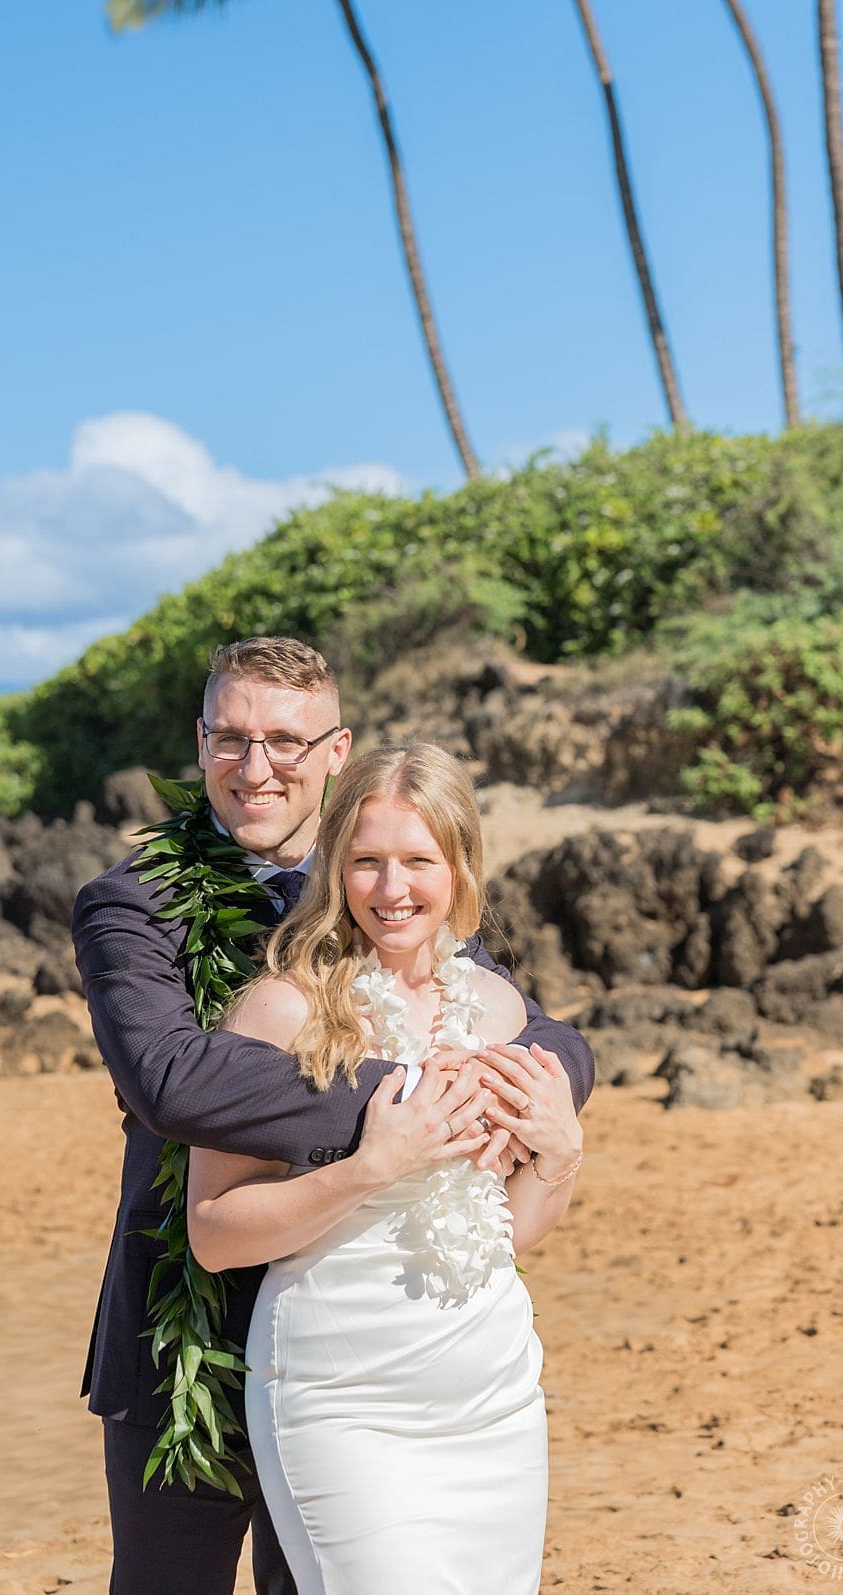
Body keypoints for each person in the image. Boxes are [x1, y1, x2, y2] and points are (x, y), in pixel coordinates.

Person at [72, 636, 594, 1595]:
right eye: (231, 738)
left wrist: (544, 1088)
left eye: (285, 739)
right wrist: (417, 1105)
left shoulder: (391, 887)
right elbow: (170, 1079)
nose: (257, 765)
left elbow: (544, 1033)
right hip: (185, 1325)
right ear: (199, 745)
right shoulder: (132, 906)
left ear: (335, 749)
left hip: (394, 1334)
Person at [188, 743, 583, 1593]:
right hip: (344, 1404)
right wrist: (370, 1167)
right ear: (335, 866)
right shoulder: (281, 1009)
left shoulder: (499, 1007)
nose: (391, 889)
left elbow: (509, 1230)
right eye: (366, 861)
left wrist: (560, 1154)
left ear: (461, 865)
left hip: (495, 1400)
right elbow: (215, 1233)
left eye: (417, 861)